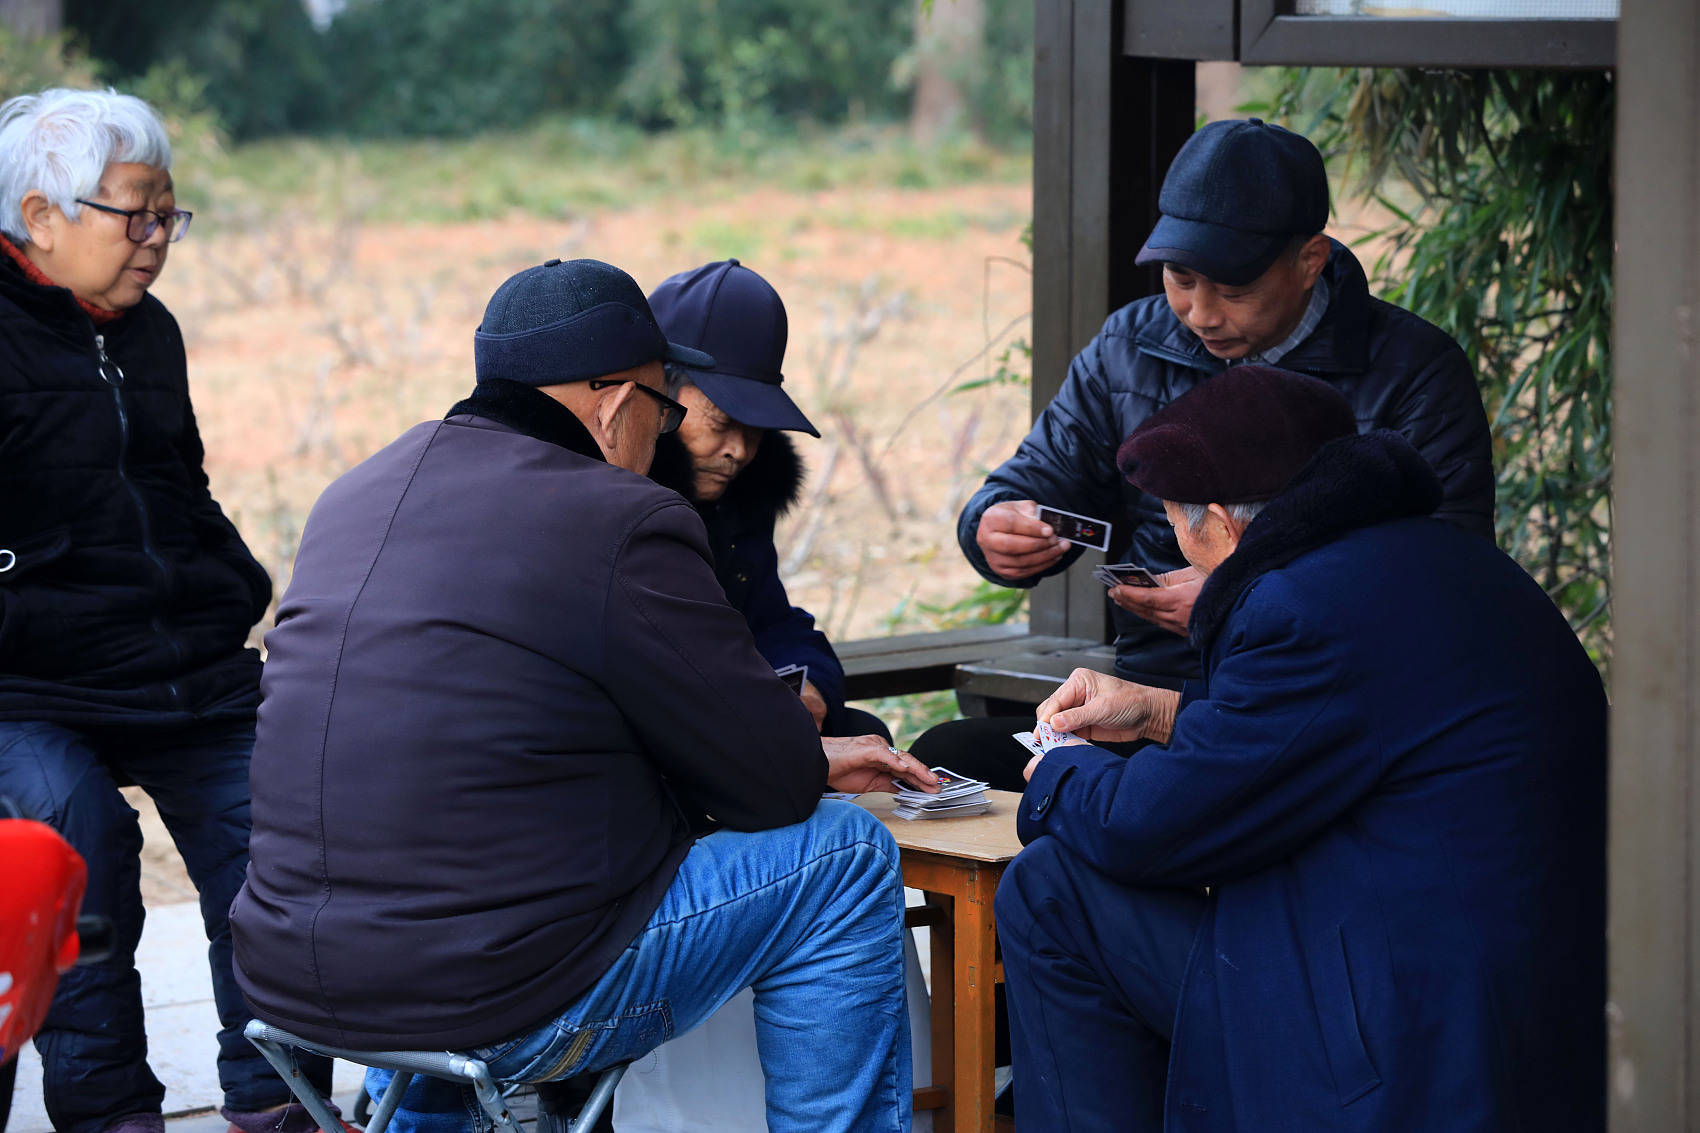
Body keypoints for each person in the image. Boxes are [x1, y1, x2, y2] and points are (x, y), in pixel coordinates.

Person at [229, 257, 939, 1133]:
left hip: (290, 978)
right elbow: (776, 784)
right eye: (665, 409)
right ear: (613, 403)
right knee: (842, 861)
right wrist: (801, 757)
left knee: (476, 891)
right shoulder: (619, 515)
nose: (667, 435)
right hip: (496, 992)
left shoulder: (355, 493)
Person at [996, 365, 1605, 1132]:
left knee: (1052, 889)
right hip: (1531, 992)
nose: (1181, 545)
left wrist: (1058, 765)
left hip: (1405, 1029)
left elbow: (1155, 830)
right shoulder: (1447, 562)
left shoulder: (1300, 605)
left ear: (1217, 521)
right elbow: (1342, 735)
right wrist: (1158, 712)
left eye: (1177, 525)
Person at [916, 116, 1496, 790]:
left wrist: (1242, 599)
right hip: (1148, 695)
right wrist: (992, 524)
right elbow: (1046, 475)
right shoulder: (1128, 345)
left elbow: (1448, 573)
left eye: (1235, 289)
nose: (1199, 311)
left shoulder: (1414, 370)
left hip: (1322, 708)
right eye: (1180, 277)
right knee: (943, 763)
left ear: (1310, 260)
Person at [0, 88, 336, 1133]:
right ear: (39, 214)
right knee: (73, 832)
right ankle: (111, 1114)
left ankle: (277, 1099)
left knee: (283, 816)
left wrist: (233, 578)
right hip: (28, 679)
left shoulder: (150, 335)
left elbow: (178, 488)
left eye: (167, 214)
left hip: (176, 659)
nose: (154, 240)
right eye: (131, 213)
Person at [646, 258, 890, 741]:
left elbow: (773, 622)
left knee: (860, 730)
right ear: (657, 393)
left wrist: (811, 686)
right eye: (720, 422)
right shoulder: (605, 504)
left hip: (726, 724)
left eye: (755, 430)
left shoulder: (736, 500)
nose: (738, 451)